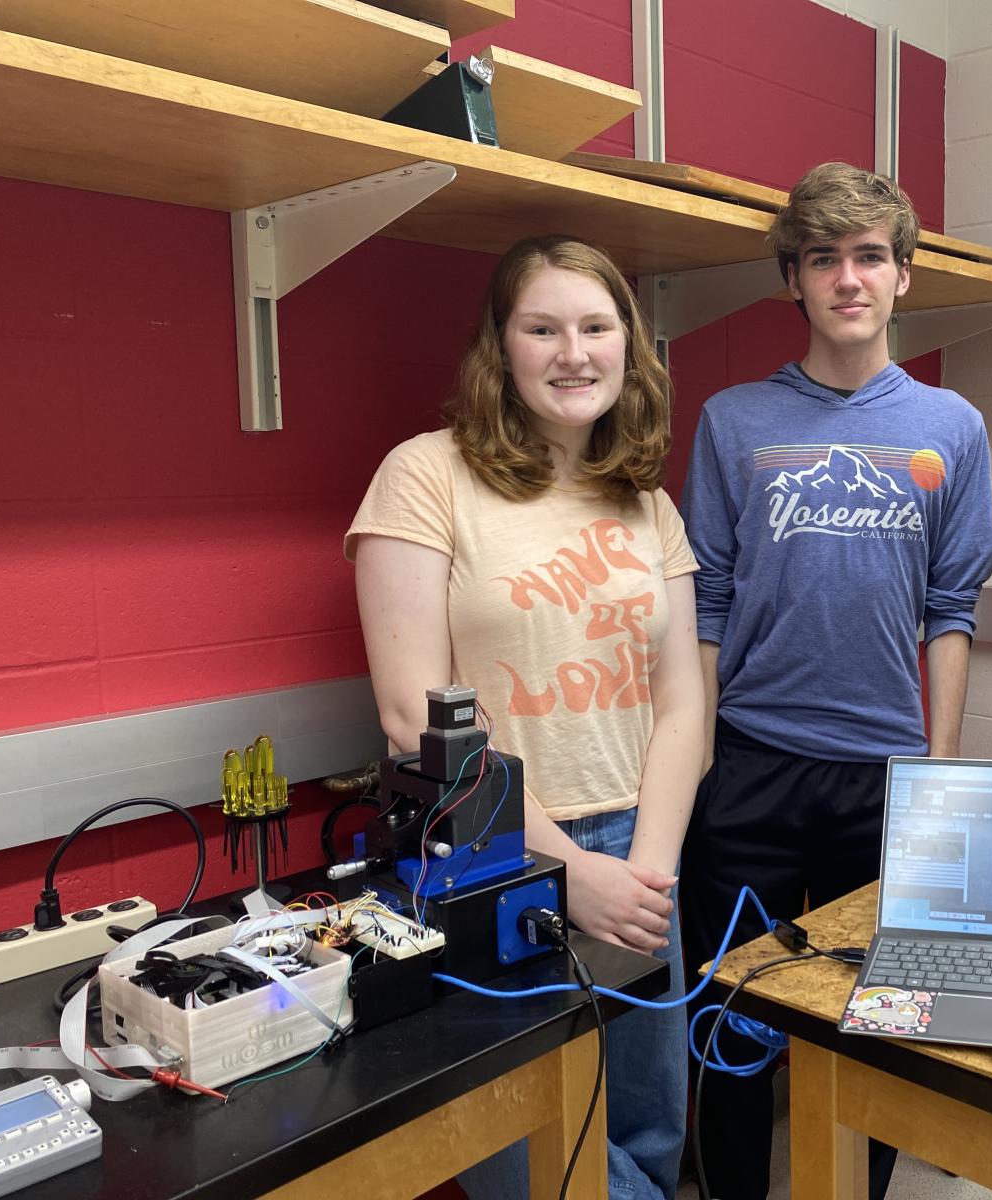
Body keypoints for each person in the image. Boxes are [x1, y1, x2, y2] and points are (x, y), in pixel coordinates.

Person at [346, 235, 702, 1200]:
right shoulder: (425, 477)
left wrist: (646, 870)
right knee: (542, 1157)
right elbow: (410, 710)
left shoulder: (646, 502)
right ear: (500, 348)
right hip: (490, 855)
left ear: (629, 345)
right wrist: (565, 868)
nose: (572, 352)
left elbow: (683, 703)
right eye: (541, 328)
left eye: (596, 326)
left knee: (648, 1132)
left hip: (639, 845)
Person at [681, 162, 992, 1200]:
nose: (848, 278)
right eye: (825, 258)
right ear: (794, 279)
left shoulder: (950, 428)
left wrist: (936, 773)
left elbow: (951, 613)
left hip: (884, 780)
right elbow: (709, 607)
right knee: (729, 1023)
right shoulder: (732, 421)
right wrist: (699, 766)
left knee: (879, 1025)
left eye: (869, 256)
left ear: (904, 275)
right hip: (754, 772)